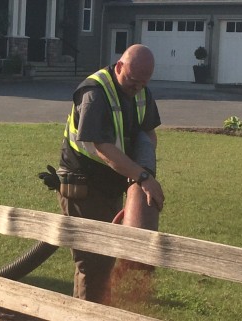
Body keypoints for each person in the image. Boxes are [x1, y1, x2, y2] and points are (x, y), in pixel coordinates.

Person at [56, 44, 164, 303]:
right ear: (119, 66)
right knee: (92, 264)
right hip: (83, 188)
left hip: (111, 186)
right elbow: (101, 147)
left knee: (104, 260)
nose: (137, 87)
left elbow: (148, 132)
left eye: (143, 82)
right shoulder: (94, 92)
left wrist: (142, 170)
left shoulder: (141, 91)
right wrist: (142, 177)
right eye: (133, 81)